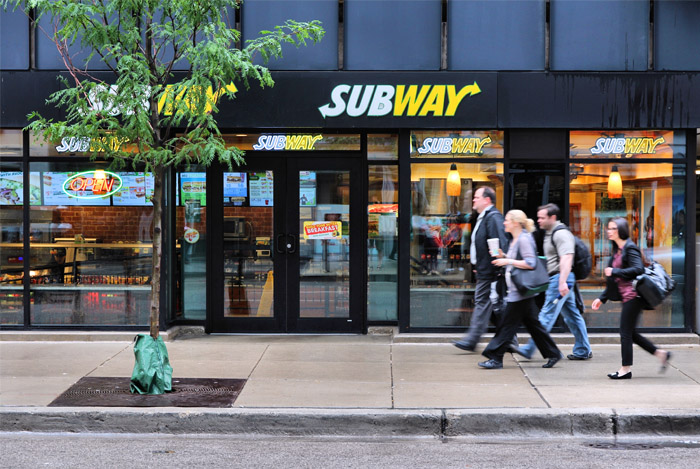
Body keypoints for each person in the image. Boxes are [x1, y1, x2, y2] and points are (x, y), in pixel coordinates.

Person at [478, 210, 562, 369]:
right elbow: (517, 260)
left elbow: (530, 263)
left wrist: (507, 260)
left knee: (506, 326)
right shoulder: (517, 239)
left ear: (516, 222)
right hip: (519, 291)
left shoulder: (523, 239)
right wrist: (502, 256)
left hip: (520, 292)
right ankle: (553, 353)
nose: (504, 223)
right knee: (533, 326)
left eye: (507, 220)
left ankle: (495, 357)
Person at [592, 217, 672, 380]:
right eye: (608, 228)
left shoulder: (630, 248)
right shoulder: (617, 249)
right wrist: (602, 298)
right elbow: (613, 279)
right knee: (631, 333)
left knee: (625, 333)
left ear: (620, 230)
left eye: (613, 228)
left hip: (634, 296)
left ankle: (625, 369)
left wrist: (615, 271)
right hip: (627, 296)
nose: (609, 231)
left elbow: (637, 269)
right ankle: (661, 354)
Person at [518, 203, 593, 361]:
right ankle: (583, 349)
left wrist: (562, 282)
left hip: (560, 278)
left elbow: (567, 258)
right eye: (538, 217)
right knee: (572, 316)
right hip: (561, 278)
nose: (538, 220)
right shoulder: (549, 232)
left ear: (553, 217)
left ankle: (529, 349)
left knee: (546, 314)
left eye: (542, 218)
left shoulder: (560, 234)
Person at [453, 187, 513, 352]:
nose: (473, 200)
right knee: (493, 306)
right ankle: (510, 339)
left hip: (491, 272)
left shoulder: (492, 218)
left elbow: (497, 244)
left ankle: (472, 340)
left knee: (483, 303)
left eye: (476, 197)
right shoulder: (484, 217)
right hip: (485, 270)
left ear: (487, 200)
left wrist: (496, 267)